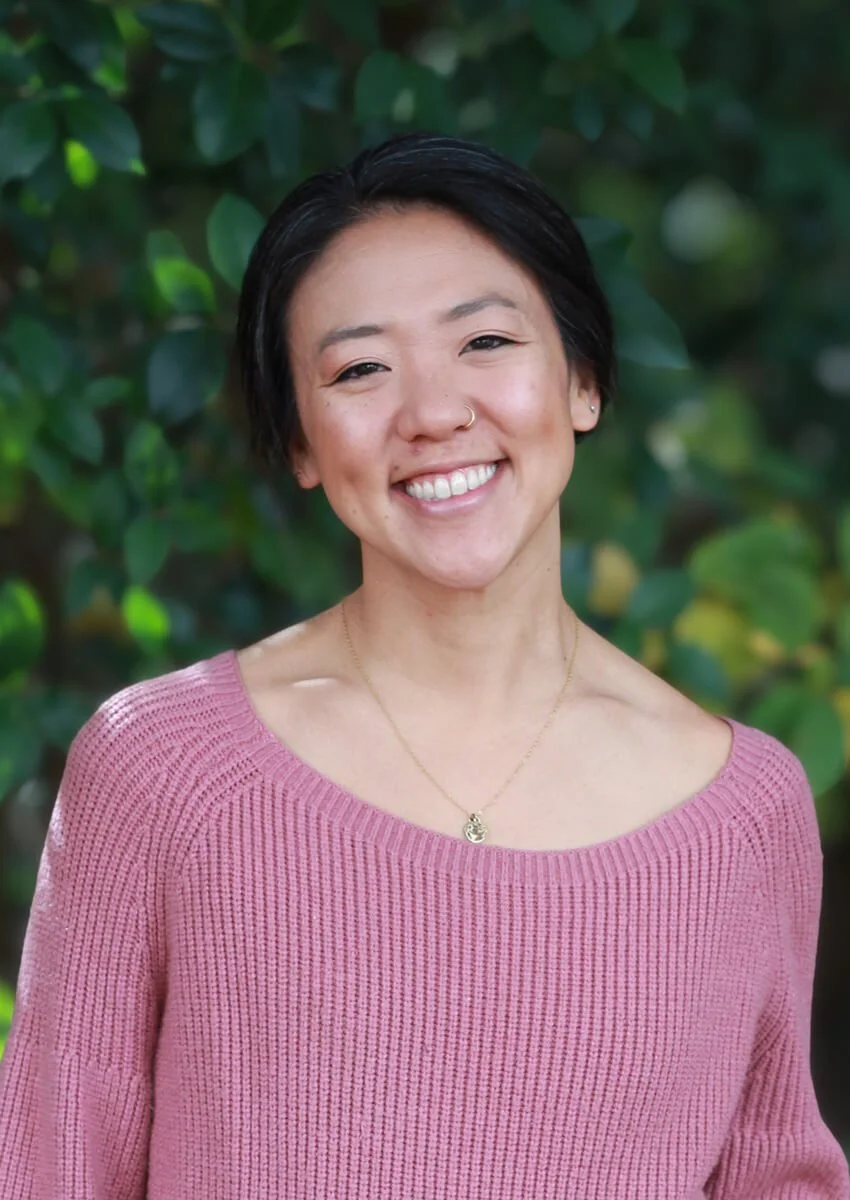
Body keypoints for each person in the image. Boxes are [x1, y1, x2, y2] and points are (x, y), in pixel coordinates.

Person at [1, 132, 848, 1199]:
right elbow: (49, 1167)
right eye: (360, 369)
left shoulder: (742, 812)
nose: (436, 413)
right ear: (301, 444)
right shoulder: (164, 768)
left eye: (484, 343)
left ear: (582, 381)